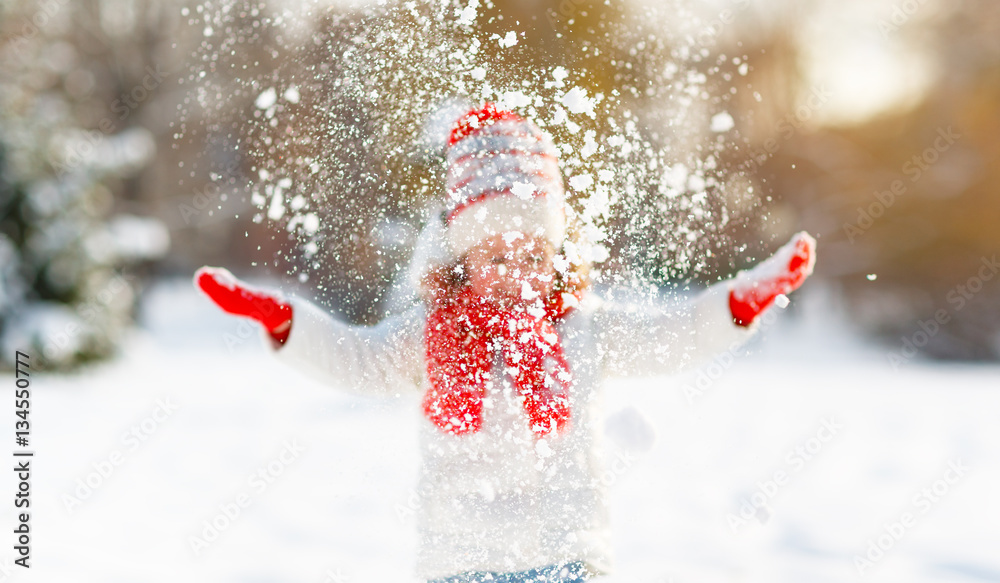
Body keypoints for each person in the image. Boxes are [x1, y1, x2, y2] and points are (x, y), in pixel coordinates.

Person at [194, 102, 816, 582]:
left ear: (557, 253)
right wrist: (283, 320)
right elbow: (358, 360)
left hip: (569, 557)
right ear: (463, 256)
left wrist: (740, 302)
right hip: (463, 560)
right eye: (496, 253)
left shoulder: (582, 328)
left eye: (533, 252)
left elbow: (672, 337)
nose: (517, 268)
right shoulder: (431, 333)